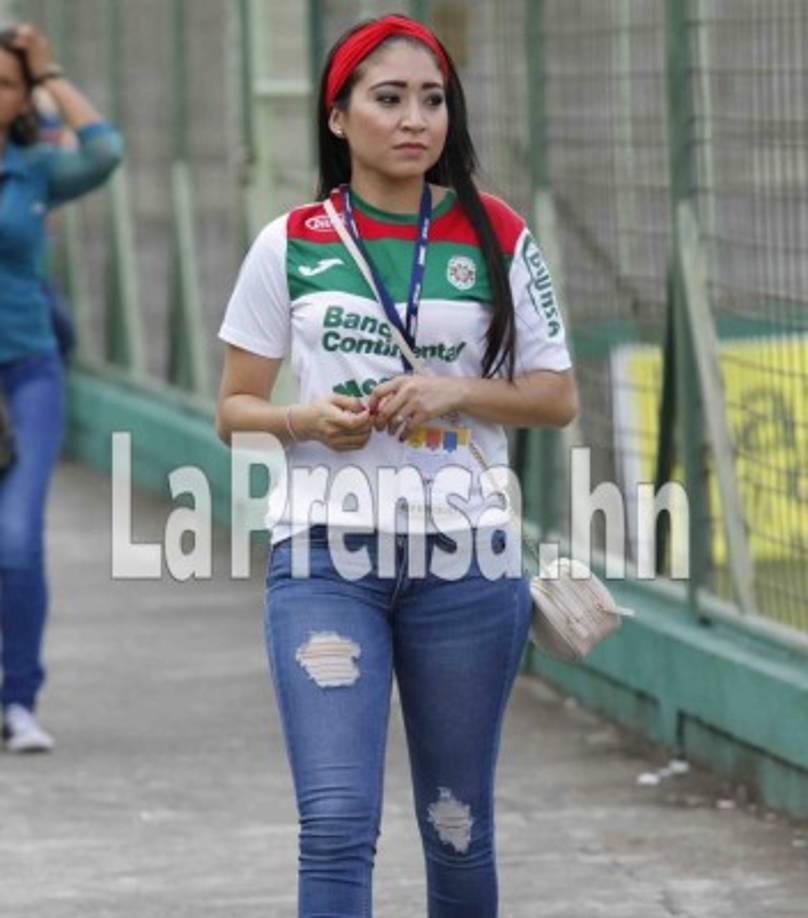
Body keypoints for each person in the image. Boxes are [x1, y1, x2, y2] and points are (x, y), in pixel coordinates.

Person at [216, 14, 576, 917]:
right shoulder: (291, 239)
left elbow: (555, 396)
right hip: (326, 562)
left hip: (466, 563)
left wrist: (458, 393)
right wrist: (303, 419)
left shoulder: (497, 232)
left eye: (433, 99)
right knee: (335, 822)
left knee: (457, 824)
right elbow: (234, 411)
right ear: (338, 119)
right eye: (388, 99)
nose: (416, 118)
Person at [0, 22, 123, 752]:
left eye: (7, 83)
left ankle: (19, 700)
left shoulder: (35, 169)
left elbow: (106, 150)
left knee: (16, 539)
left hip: (28, 371)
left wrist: (49, 73)